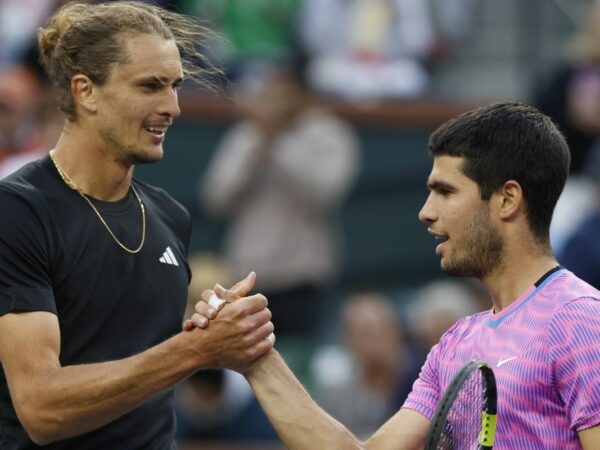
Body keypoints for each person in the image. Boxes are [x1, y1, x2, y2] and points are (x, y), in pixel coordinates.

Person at [192, 101, 600, 448]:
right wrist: (255, 356)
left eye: (445, 191)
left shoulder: (580, 319)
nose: (426, 211)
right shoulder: (456, 343)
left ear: (507, 199)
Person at [0, 2, 274, 448]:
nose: (173, 107)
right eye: (150, 86)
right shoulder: (17, 213)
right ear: (85, 91)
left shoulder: (170, 216)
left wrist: (213, 330)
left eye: (175, 86)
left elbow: (150, 368)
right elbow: (41, 408)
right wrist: (194, 350)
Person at [199, 59, 360, 339]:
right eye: (272, 93)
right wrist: (259, 144)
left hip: (302, 278)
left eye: (285, 93)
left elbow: (323, 193)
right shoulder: (247, 135)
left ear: (302, 94)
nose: (276, 101)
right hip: (247, 274)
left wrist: (276, 140)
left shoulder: (330, 135)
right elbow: (215, 198)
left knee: (298, 367)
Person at [309, 292, 421, 439]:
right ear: (347, 341)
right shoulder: (338, 398)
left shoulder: (422, 384)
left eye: (380, 332)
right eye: (364, 335)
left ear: (396, 332)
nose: (373, 344)